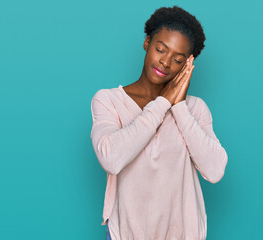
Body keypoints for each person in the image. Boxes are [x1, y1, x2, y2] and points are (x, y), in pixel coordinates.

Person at [90, 6, 228, 240]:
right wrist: (163, 102)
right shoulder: (108, 100)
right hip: (126, 234)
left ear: (188, 63)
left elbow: (215, 170)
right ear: (147, 43)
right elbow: (111, 159)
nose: (165, 62)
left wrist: (179, 106)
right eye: (160, 49)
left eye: (177, 59)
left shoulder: (195, 109)